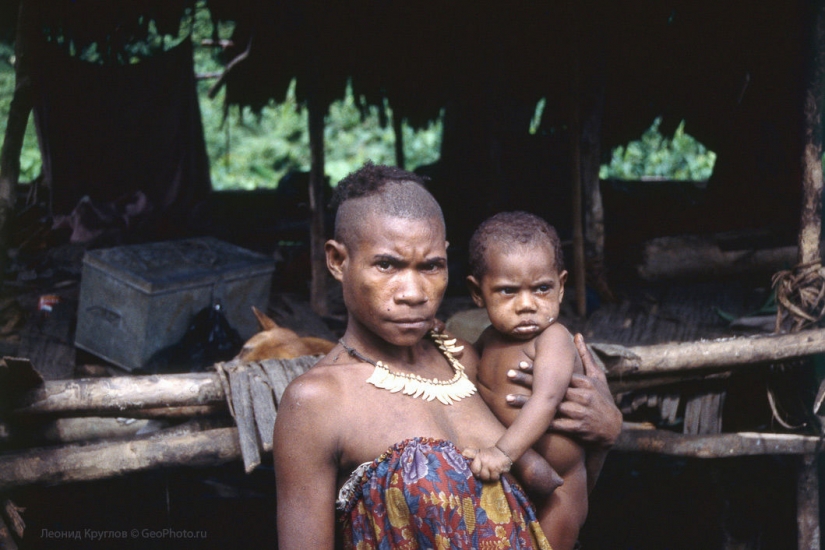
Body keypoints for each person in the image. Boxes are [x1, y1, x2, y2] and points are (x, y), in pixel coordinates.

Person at [272, 162, 621, 549]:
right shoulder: (317, 402)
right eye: (387, 265)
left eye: (431, 266)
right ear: (338, 261)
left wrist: (601, 439)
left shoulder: (469, 363)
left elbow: (555, 504)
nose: (413, 292)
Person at [463, 211, 587, 550]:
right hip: (514, 476)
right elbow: (466, 371)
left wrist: (503, 452)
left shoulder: (553, 339)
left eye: (542, 289)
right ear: (478, 293)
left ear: (561, 287)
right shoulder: (489, 339)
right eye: (507, 291)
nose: (527, 305)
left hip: (562, 487)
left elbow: (546, 398)